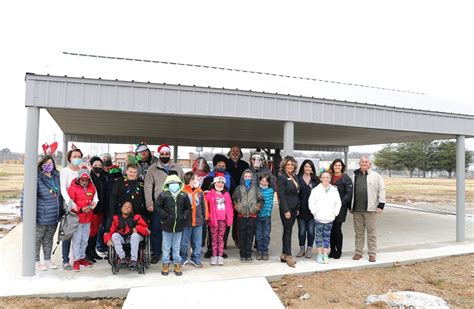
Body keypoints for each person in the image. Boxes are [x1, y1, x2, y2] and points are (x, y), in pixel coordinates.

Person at [21, 155, 63, 272]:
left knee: (49, 238)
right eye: (46, 164)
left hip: (54, 216)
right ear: (41, 165)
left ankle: (48, 260)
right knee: (37, 239)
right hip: (41, 216)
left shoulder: (57, 177)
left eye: (51, 164)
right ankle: (35, 261)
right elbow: (25, 197)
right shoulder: (36, 178)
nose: (48, 166)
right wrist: (24, 216)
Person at [145, 144, 184, 264]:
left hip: (174, 205)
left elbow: (182, 184)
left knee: (172, 230)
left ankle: (172, 254)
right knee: (156, 229)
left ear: (170, 155)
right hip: (158, 204)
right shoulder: (152, 169)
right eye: (162, 154)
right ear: (159, 155)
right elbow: (147, 186)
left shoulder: (177, 168)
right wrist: (149, 203)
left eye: (167, 154)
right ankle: (156, 253)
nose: (164, 156)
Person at [60, 148, 98, 270]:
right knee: (69, 235)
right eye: (74, 156)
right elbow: (63, 189)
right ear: (69, 158)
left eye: (78, 156)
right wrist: (75, 207)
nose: (76, 158)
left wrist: (92, 205)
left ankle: (81, 257)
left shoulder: (83, 172)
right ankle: (66, 260)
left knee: (83, 237)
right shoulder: (65, 171)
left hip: (86, 213)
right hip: (71, 208)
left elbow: (93, 191)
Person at [350, 156, 386, 263]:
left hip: (371, 209)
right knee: (358, 233)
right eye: (362, 162)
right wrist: (349, 205)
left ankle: (372, 254)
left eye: (366, 162)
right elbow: (351, 191)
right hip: (357, 209)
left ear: (370, 164)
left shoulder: (376, 176)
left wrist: (381, 205)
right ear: (359, 163)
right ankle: (358, 252)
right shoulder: (354, 175)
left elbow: (382, 189)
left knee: (371, 233)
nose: (364, 163)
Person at [155, 175, 191, 276]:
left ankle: (177, 264)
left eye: (176, 183)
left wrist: (184, 216)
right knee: (166, 247)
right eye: (171, 183)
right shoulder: (163, 195)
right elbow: (158, 208)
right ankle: (165, 264)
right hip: (166, 226)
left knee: (176, 247)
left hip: (179, 226)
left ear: (180, 184)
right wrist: (166, 216)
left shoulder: (183, 195)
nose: (174, 185)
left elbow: (188, 208)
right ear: (167, 184)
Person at [201, 154, 235, 258]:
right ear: (215, 165)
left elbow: (232, 193)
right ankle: (211, 249)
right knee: (212, 231)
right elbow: (203, 192)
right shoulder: (209, 178)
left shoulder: (229, 178)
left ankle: (221, 249)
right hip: (212, 210)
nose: (221, 167)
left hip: (223, 210)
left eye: (224, 166)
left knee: (223, 232)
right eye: (219, 165)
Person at [104, 201, 151, 271]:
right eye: (124, 206)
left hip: (135, 237)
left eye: (129, 206)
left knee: (135, 235)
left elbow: (147, 231)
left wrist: (137, 228)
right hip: (122, 238)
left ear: (131, 209)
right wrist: (107, 240)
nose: (126, 207)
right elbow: (109, 231)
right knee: (114, 235)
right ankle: (122, 258)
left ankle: (133, 260)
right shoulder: (115, 218)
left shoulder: (137, 217)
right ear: (121, 209)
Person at [68, 168, 97, 272]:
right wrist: (80, 209)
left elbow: (95, 199)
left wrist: (92, 206)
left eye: (86, 180)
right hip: (77, 218)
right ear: (78, 179)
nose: (84, 182)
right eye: (82, 180)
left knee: (85, 239)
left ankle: (82, 258)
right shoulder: (72, 188)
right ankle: (76, 260)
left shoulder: (92, 187)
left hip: (88, 218)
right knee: (77, 239)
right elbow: (70, 203)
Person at [308, 172, 342, 264]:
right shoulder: (315, 190)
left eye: (327, 177)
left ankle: (325, 254)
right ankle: (319, 254)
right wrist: (315, 212)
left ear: (330, 179)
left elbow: (338, 203)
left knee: (327, 237)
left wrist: (334, 213)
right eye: (324, 177)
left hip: (329, 218)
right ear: (320, 178)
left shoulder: (334, 190)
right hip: (319, 217)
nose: (326, 179)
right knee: (319, 236)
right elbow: (311, 202)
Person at [233, 170, 263, 262]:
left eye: (249, 177)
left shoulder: (256, 189)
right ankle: (242, 255)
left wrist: (255, 208)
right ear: (243, 178)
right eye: (246, 177)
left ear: (252, 178)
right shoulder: (238, 189)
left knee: (250, 236)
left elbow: (261, 200)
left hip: (252, 216)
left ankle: (248, 255)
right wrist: (238, 207)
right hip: (241, 216)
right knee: (242, 236)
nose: (247, 178)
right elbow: (233, 199)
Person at [180, 172, 208, 268]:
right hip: (186, 222)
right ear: (189, 180)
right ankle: (182, 257)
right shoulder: (182, 191)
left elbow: (204, 205)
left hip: (198, 221)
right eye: (195, 179)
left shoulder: (200, 192)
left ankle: (196, 258)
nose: (197, 181)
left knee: (197, 241)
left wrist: (206, 216)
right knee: (184, 241)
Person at [205, 175, 233, 266]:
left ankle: (220, 255)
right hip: (214, 220)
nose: (220, 184)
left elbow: (229, 207)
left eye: (222, 183)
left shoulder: (226, 194)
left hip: (223, 220)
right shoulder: (210, 194)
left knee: (221, 238)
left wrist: (230, 218)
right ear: (214, 183)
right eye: (218, 182)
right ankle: (214, 255)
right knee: (214, 238)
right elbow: (206, 204)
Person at [277, 155, 300, 268]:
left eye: (292, 164)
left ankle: (284, 254)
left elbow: (297, 193)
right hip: (286, 208)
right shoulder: (281, 176)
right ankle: (289, 255)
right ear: (284, 165)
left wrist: (298, 208)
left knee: (288, 230)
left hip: (294, 208)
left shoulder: (294, 176)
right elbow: (281, 195)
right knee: (288, 231)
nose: (290, 166)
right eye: (288, 164)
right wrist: (286, 210)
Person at [328, 159, 353, 259]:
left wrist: (340, 203)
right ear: (332, 166)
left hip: (341, 207)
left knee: (337, 228)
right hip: (329, 207)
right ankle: (332, 250)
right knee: (330, 229)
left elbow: (349, 193)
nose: (337, 167)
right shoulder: (329, 177)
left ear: (342, 167)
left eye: (339, 165)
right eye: (335, 165)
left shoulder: (346, 178)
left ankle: (339, 250)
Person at [296, 160, 320, 259]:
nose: (308, 168)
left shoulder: (316, 180)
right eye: (306, 166)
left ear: (312, 168)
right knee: (302, 230)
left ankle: (309, 249)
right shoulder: (297, 178)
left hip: (312, 210)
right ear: (303, 167)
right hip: (300, 209)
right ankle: (302, 249)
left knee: (310, 230)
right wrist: (296, 207)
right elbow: (295, 194)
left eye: (310, 167)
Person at [86, 156, 106, 263]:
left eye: (100, 165)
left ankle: (93, 251)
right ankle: (87, 252)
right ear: (91, 166)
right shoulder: (89, 178)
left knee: (97, 231)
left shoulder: (104, 177)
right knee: (91, 232)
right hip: (93, 209)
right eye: (95, 165)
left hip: (101, 209)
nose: (98, 167)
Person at [256, 174, 274, 261]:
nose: (264, 183)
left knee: (266, 234)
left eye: (266, 181)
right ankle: (259, 250)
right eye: (262, 181)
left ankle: (265, 250)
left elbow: (270, 203)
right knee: (259, 234)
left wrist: (268, 213)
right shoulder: (257, 190)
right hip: (258, 215)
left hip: (267, 215)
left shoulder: (270, 190)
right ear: (259, 181)